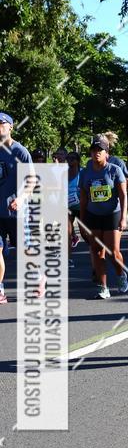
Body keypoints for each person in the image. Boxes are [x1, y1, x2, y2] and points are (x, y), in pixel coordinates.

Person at [79, 135, 128, 298]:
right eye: (93, 150)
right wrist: (82, 219)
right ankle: (103, 287)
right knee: (96, 250)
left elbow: (123, 195)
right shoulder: (86, 173)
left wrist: (124, 216)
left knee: (113, 252)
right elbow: (84, 197)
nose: (96, 153)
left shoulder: (114, 170)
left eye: (99, 150)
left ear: (106, 153)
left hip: (112, 214)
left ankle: (121, 275)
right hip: (93, 215)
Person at [0, 112, 33, 305]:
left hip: (16, 212)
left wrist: (21, 199)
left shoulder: (20, 151)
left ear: (10, 127)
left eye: (1, 123)